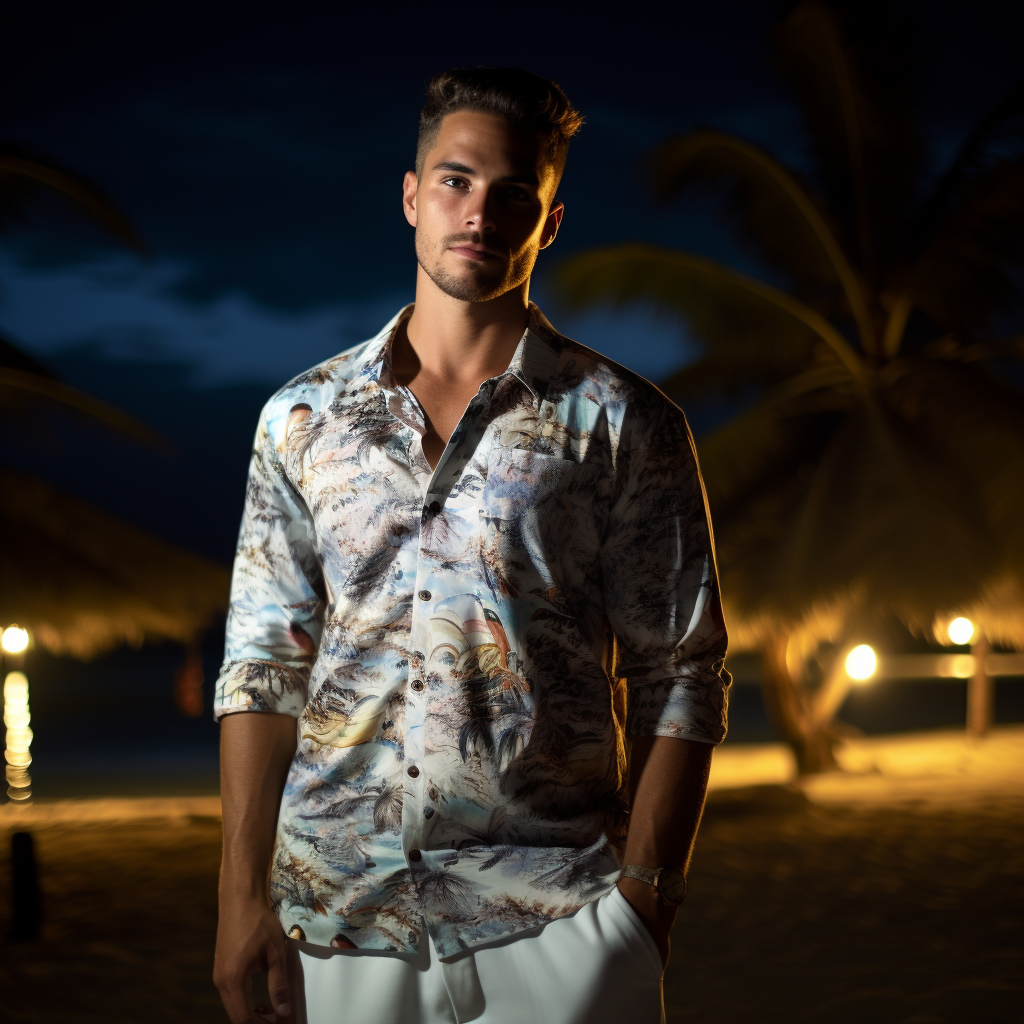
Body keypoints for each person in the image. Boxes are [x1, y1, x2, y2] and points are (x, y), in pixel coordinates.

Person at [212, 67, 730, 1024]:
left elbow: (681, 674)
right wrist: (241, 896)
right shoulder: (301, 418)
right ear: (410, 196)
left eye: (513, 195)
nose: (479, 213)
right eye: (454, 181)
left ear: (551, 220)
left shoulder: (622, 422)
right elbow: (261, 667)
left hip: (558, 918)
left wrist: (646, 901)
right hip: (340, 916)